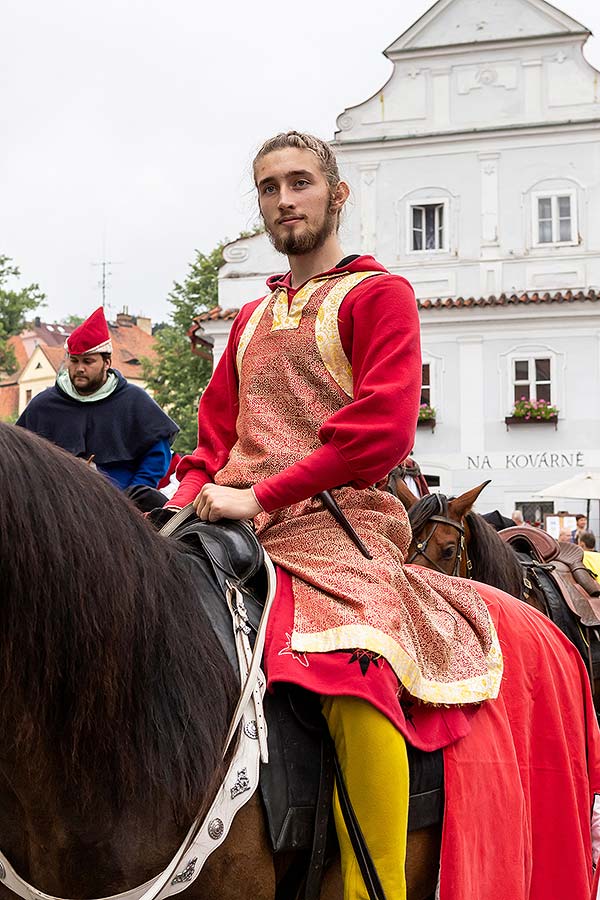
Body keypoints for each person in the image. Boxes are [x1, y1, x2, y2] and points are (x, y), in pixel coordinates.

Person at [166, 131, 503, 899]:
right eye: (268, 188)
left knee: (358, 660)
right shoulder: (250, 319)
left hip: (342, 522)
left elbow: (381, 430)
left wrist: (260, 494)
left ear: (336, 194)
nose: (283, 200)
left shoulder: (377, 295)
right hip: (236, 525)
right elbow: (215, 434)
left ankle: (370, 885)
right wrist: (181, 497)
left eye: (299, 183)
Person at [17, 307, 179, 492]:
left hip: (123, 507)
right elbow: (20, 456)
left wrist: (135, 496)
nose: (79, 368)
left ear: (107, 363)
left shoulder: (134, 401)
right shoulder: (43, 405)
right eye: (74, 360)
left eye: (88, 361)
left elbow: (157, 455)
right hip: (56, 508)